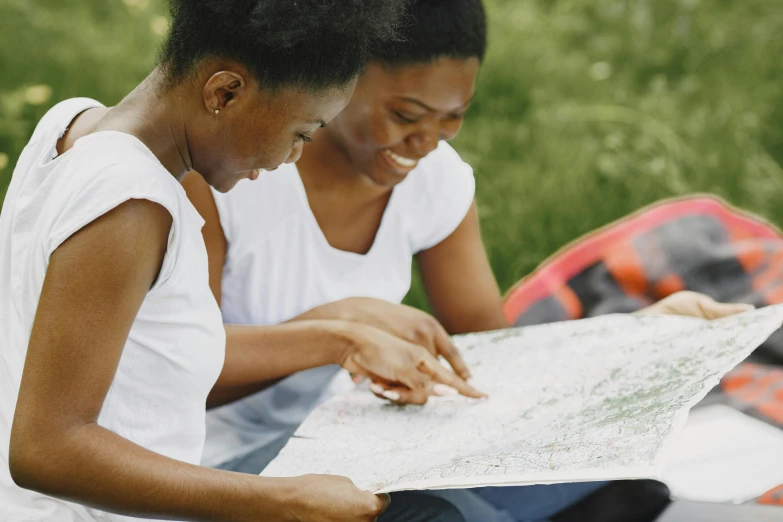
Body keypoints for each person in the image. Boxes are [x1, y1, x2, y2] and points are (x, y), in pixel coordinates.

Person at [182, 0, 753, 520]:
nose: (426, 140)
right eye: (406, 116)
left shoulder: (436, 182)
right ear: (338, 80)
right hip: (224, 467)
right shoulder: (235, 174)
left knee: (608, 461)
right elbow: (182, 375)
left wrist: (641, 339)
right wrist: (335, 331)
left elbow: (494, 361)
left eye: (452, 116)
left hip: (352, 439)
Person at [0, 1, 481, 521]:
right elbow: (46, 451)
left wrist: (343, 337)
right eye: (301, 133)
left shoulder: (72, 125)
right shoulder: (132, 206)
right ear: (224, 92)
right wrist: (287, 500)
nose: (290, 159)